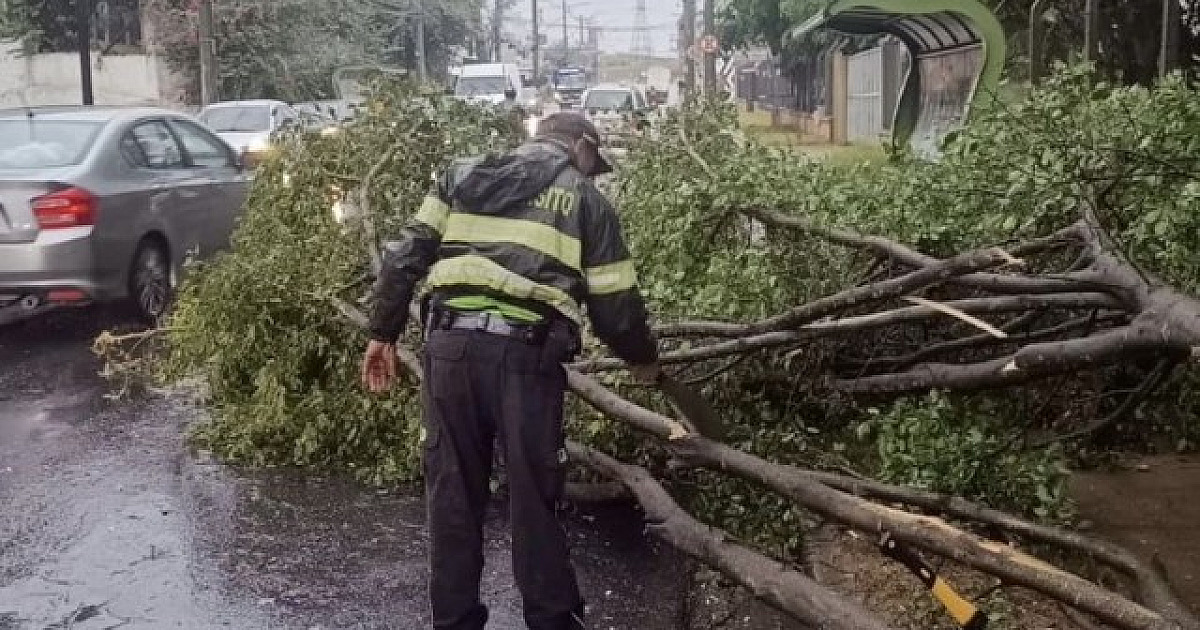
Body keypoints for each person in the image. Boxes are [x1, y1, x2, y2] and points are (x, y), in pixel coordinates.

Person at [361, 112, 661, 630]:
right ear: (582, 148)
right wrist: (643, 360)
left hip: (449, 350)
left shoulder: (459, 175)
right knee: (532, 499)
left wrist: (381, 332)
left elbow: (405, 254)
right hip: (527, 356)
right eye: (593, 162)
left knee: (452, 496)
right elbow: (616, 304)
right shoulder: (585, 199)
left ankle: (454, 623)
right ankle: (552, 622)